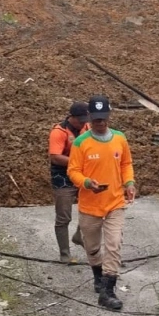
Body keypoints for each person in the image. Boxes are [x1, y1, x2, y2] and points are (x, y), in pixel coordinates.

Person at [67, 95, 137, 311]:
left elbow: (126, 163)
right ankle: (98, 275)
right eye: (96, 119)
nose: (101, 123)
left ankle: (108, 290)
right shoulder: (80, 143)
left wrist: (129, 183)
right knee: (93, 247)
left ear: (109, 116)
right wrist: (87, 182)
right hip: (90, 205)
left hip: (115, 201)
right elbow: (73, 171)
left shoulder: (120, 138)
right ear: (89, 117)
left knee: (114, 243)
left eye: (104, 119)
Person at [48, 101, 89, 263]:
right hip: (63, 177)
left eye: (85, 120)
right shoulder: (59, 132)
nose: (83, 123)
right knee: (64, 217)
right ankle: (64, 254)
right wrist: (77, 161)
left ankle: (79, 235)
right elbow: (55, 157)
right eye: (80, 120)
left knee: (91, 210)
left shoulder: (86, 128)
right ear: (71, 117)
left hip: (82, 174)